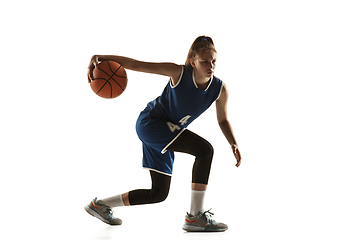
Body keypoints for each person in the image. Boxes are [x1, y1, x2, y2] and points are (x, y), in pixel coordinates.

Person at [85, 36, 241, 232]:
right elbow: (136, 64)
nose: (210, 66)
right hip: (151, 123)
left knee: (158, 193)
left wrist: (233, 143)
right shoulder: (178, 73)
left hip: (166, 131)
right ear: (193, 62)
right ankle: (195, 217)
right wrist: (100, 58)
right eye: (204, 61)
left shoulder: (220, 89)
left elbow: (223, 120)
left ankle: (100, 205)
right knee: (204, 150)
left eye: (213, 61)